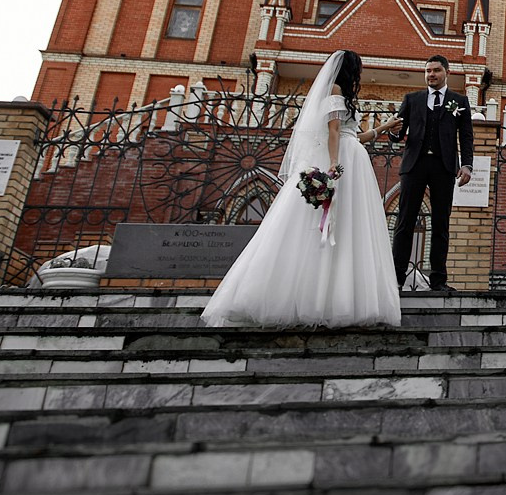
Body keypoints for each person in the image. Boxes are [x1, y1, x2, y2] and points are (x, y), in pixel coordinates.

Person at [201, 50, 401, 327]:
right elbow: (332, 132)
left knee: (348, 228)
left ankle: (337, 298)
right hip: (343, 160)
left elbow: (352, 135)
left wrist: (384, 127)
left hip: (354, 158)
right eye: (358, 69)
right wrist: (333, 164)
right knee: (321, 226)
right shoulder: (334, 89)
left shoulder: (344, 97)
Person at [378, 54, 474, 292]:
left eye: (436, 70)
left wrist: (467, 165)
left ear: (446, 73)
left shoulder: (459, 101)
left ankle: (438, 281)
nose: (431, 74)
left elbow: (466, 136)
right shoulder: (412, 99)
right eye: (428, 71)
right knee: (405, 221)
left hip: (443, 167)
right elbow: (398, 135)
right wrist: (393, 131)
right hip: (414, 166)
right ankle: (396, 278)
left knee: (441, 224)